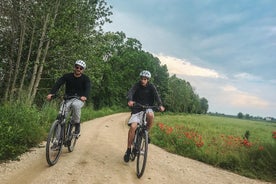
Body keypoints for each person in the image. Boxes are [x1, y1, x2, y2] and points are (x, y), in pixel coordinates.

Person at [123, 70, 165, 162]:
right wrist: (130, 100)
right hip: (137, 108)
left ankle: (146, 132)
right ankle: (128, 150)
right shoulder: (136, 85)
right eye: (142, 78)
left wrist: (160, 105)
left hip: (148, 107)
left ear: (148, 80)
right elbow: (131, 92)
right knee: (133, 127)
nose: (143, 80)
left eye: (145, 79)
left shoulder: (152, 87)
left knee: (150, 115)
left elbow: (157, 96)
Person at [47, 60, 91, 136]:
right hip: (67, 98)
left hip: (79, 99)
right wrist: (51, 93)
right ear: (74, 67)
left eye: (81, 68)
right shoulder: (67, 76)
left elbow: (88, 88)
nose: (78, 69)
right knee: (60, 117)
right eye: (77, 67)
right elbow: (58, 84)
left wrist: (85, 96)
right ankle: (57, 142)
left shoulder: (85, 79)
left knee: (75, 105)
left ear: (83, 70)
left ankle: (77, 123)